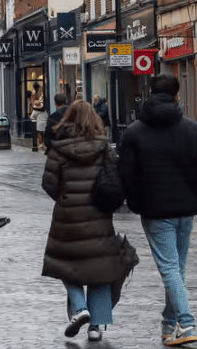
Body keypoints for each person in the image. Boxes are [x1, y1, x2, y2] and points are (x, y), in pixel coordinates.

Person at [118, 74, 197, 346]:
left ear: (150, 93)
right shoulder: (193, 129)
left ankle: (186, 322)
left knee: (171, 269)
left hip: (155, 210)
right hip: (186, 210)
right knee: (176, 269)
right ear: (177, 96)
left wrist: (136, 203)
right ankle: (168, 323)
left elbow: (126, 174)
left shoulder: (134, 131)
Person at [42, 100, 137, 342]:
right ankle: (96, 325)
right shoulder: (104, 147)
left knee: (66, 264)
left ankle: (80, 307)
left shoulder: (58, 148)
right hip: (99, 215)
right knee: (100, 269)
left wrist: (65, 198)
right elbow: (114, 180)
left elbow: (49, 183)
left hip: (67, 216)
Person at [31, 82, 48, 150]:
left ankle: (41, 144)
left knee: (39, 133)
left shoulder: (34, 95)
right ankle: (44, 144)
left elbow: (32, 116)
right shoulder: (41, 94)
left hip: (39, 121)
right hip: (45, 120)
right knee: (44, 133)